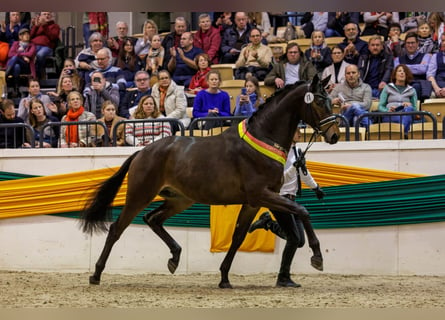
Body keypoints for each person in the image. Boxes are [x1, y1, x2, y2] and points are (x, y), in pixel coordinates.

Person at [248, 128, 325, 288]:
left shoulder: (297, 151)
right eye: (297, 131)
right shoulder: (277, 154)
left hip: (292, 200)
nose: (299, 134)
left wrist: (315, 187)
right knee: (294, 239)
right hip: (278, 198)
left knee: (299, 241)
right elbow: (279, 179)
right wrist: (293, 168)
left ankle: (268, 223)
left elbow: (303, 172)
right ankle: (283, 277)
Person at [378, 64, 418, 134]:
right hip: (391, 115)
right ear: (395, 74)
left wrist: (409, 105)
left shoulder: (412, 90)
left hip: (405, 114)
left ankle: (401, 133)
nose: (402, 73)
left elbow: (414, 109)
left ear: (407, 75)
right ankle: (404, 134)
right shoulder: (387, 88)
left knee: (409, 109)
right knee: (403, 118)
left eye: (404, 71)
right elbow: (380, 106)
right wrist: (388, 110)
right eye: (399, 71)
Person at [330, 64, 372, 128]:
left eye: (353, 72)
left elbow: (367, 104)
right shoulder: (339, 87)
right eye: (348, 73)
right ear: (345, 76)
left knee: (356, 118)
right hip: (344, 117)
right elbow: (326, 100)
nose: (351, 75)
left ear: (358, 74)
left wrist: (351, 106)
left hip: (359, 115)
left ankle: (355, 137)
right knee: (355, 108)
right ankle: (370, 126)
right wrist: (332, 101)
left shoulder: (366, 87)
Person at [394, 32, 432, 101]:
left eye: (413, 43)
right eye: (408, 43)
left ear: (417, 44)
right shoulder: (398, 59)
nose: (410, 45)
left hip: (419, 85)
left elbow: (423, 69)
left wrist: (403, 67)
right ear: (405, 44)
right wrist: (418, 66)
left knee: (415, 87)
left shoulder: (425, 56)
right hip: (403, 83)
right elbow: (396, 70)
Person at [5, 27, 36, 94]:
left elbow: (30, 54)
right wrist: (23, 56)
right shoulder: (15, 44)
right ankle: (16, 87)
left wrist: (19, 54)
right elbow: (10, 54)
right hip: (15, 66)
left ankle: (5, 74)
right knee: (16, 66)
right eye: (25, 34)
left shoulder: (32, 45)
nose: (27, 36)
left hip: (26, 66)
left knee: (15, 57)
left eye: (28, 34)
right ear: (20, 37)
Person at [29, 12, 61, 79]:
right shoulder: (37, 25)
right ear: (40, 16)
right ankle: (33, 74)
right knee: (28, 54)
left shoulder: (55, 26)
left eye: (48, 14)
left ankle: (37, 75)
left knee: (40, 55)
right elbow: (30, 37)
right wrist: (35, 26)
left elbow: (53, 37)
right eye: (44, 14)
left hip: (47, 47)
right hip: (34, 46)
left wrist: (45, 26)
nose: (47, 16)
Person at [427, 34, 445, 98]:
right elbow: (430, 75)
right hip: (438, 86)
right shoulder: (435, 56)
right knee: (431, 95)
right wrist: (437, 89)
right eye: (442, 41)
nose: (443, 43)